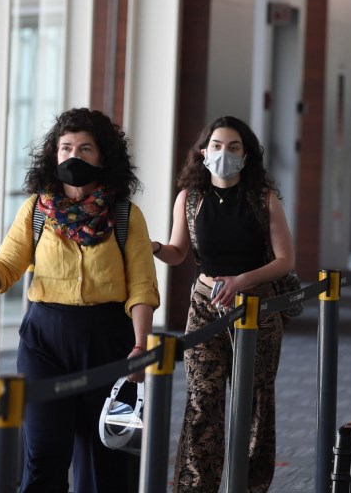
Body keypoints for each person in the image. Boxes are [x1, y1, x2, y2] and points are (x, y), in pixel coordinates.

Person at [0, 108, 159, 492]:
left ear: (103, 157)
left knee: (106, 457)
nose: (74, 156)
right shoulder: (37, 210)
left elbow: (142, 287)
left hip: (109, 342)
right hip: (44, 341)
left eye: (86, 149)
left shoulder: (124, 215)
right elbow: (5, 267)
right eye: (66, 147)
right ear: (53, 155)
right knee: (43, 451)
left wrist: (140, 346)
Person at [151, 116, 294, 493]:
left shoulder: (264, 199)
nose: (224, 153)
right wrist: (150, 248)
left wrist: (241, 281)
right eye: (216, 145)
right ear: (203, 152)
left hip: (256, 308)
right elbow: (178, 251)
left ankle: (249, 486)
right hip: (204, 307)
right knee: (202, 398)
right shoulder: (189, 199)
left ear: (246, 156)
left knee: (255, 403)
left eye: (233, 147)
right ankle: (195, 486)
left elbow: (285, 260)